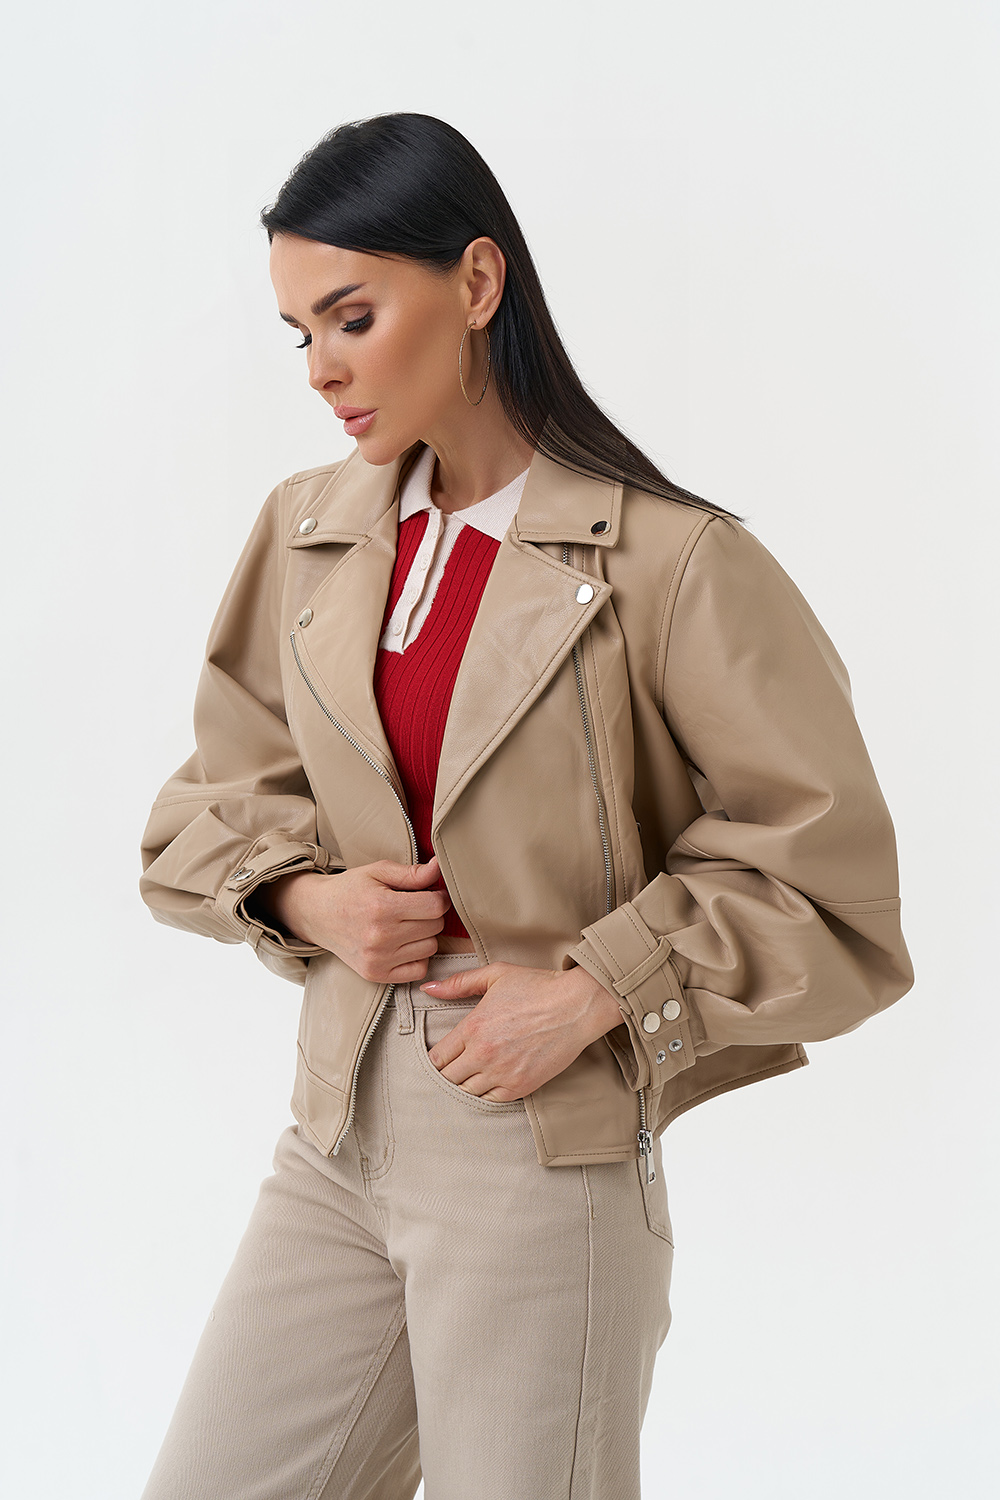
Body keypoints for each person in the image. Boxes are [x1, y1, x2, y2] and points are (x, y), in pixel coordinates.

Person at [137, 111, 914, 1500]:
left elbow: (828, 890)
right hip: (333, 1138)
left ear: (478, 283)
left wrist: (598, 990)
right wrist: (310, 899)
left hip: (540, 1157)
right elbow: (208, 802)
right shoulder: (312, 530)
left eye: (352, 317)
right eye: (299, 333)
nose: (320, 370)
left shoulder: (674, 565)